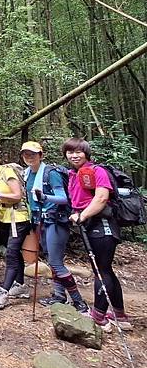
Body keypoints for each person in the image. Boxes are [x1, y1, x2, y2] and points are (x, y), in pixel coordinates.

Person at [62, 137, 129, 331]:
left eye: (78, 152)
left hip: (102, 223)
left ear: (86, 153)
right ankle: (120, 315)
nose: (74, 155)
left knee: (101, 270)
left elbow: (101, 198)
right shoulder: (74, 174)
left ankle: (99, 316)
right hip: (89, 223)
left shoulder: (98, 171)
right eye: (70, 152)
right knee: (105, 269)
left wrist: (82, 215)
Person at [21, 141, 88, 313]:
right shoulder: (27, 174)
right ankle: (59, 296)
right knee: (52, 260)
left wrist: (45, 197)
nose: (29, 157)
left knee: (56, 263)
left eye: (33, 154)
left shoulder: (50, 173)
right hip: (40, 221)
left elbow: (63, 198)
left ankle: (79, 301)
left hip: (56, 221)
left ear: (41, 155)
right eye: (26, 154)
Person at [0, 147, 32, 310]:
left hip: (19, 217)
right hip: (3, 217)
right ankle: (21, 285)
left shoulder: (7, 172)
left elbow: (17, 195)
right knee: (14, 252)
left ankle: (3, 292)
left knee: (11, 252)